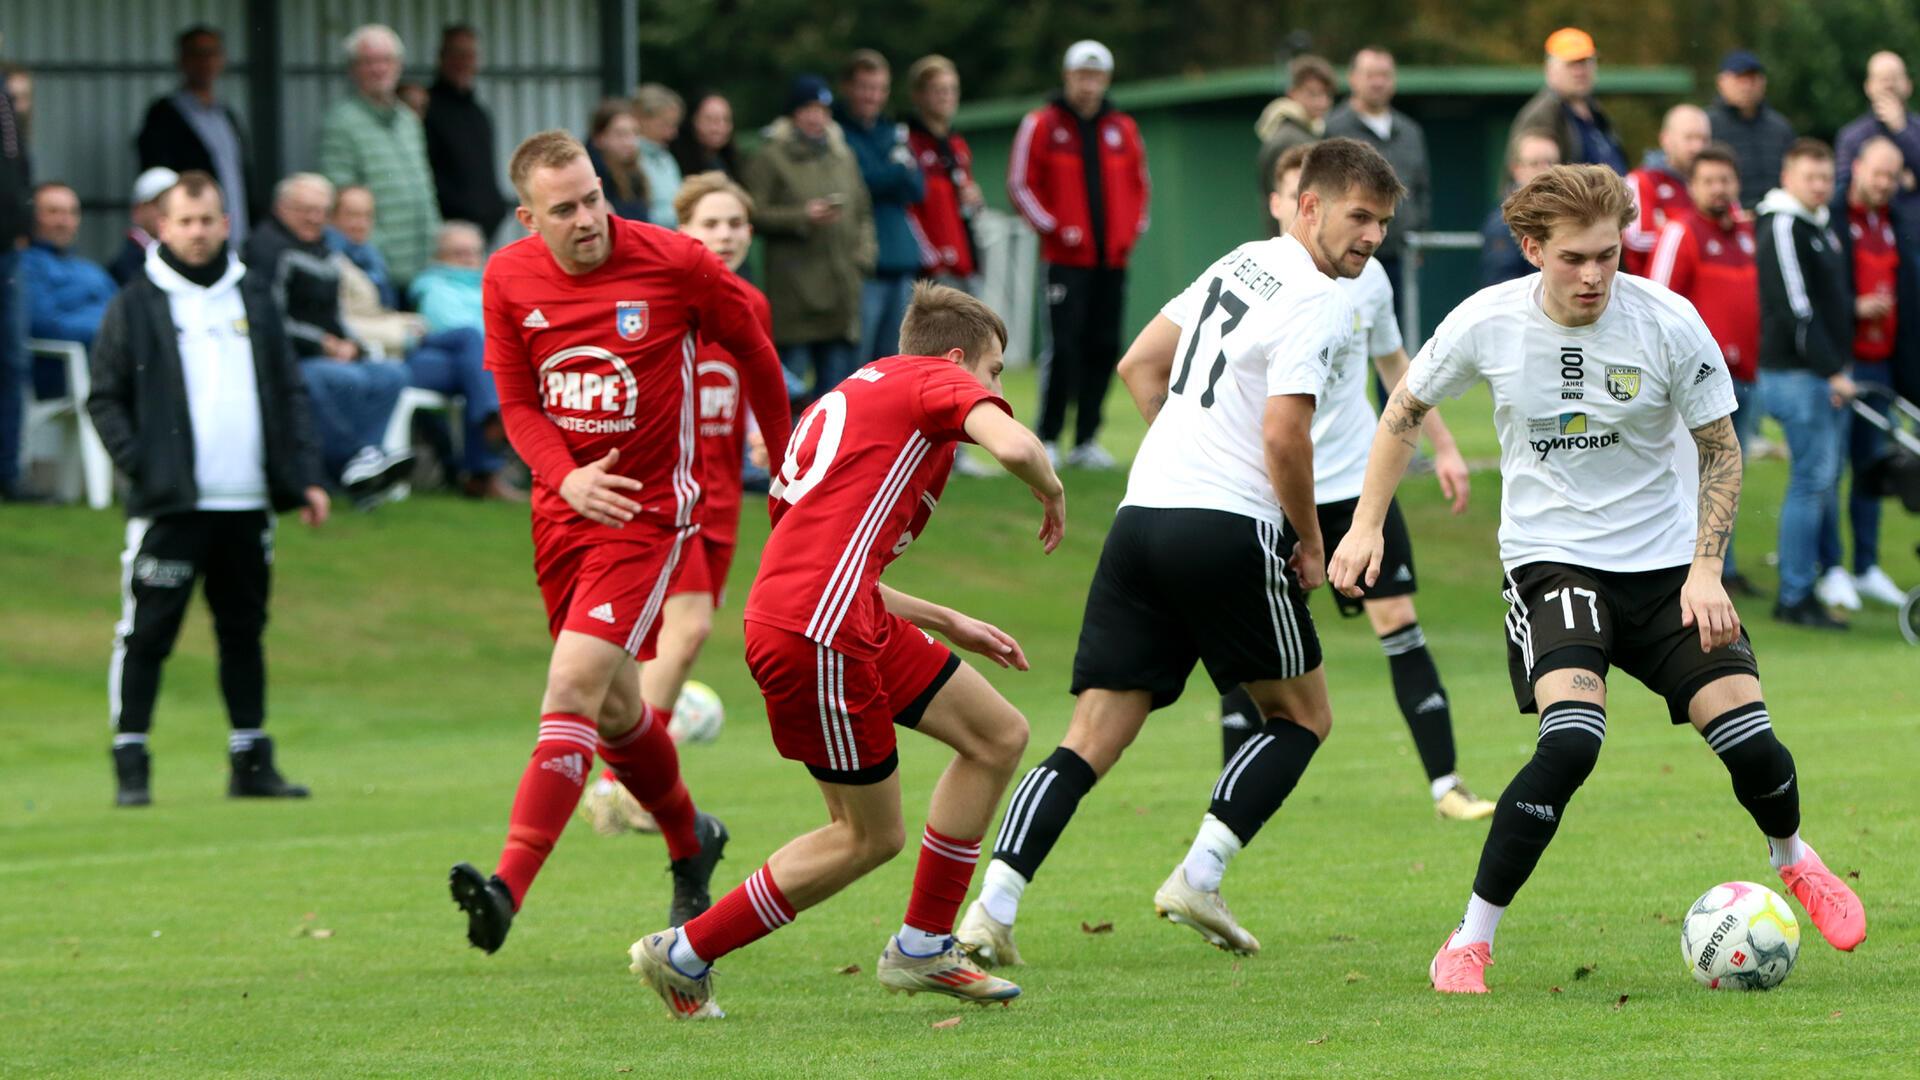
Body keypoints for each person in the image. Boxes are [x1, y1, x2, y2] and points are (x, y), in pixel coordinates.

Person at [1328, 163, 1866, 995]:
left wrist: (1707, 568)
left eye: (1609, 256)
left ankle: (1795, 860)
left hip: (1666, 571)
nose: (1594, 276)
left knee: (1750, 737)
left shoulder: (1667, 322)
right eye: (1574, 257)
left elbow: (1722, 451)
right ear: (1531, 248)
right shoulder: (1487, 319)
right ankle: (1469, 941)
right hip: (1554, 561)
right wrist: (1365, 525)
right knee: (1572, 741)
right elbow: (1403, 409)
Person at [957, 139, 1400, 969]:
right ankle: (1200, 874)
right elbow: (1283, 434)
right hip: (1227, 528)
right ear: (1308, 205)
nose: (1372, 236)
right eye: (1359, 216)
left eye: (1383, 222)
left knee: (1090, 734)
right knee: (1303, 716)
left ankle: (992, 909)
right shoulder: (1318, 298)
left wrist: (1183, 449)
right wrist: (1309, 540)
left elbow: (1138, 363)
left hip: (1142, 517)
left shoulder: (1241, 261)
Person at [630, 282, 1064, 1019]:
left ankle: (925, 946)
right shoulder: (933, 379)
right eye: (994, 374)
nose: (995, 392)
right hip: (820, 631)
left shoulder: (859, 399)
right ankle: (685, 953)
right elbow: (1018, 447)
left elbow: (822, 559)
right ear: (956, 361)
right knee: (866, 835)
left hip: (832, 611)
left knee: (997, 735)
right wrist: (1050, 489)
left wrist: (946, 619)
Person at [447, 130, 794, 955]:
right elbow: (520, 405)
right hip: (562, 517)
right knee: (616, 708)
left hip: (647, 520)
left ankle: (506, 890)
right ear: (530, 218)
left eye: (594, 197)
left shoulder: (674, 263)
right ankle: (689, 839)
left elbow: (754, 347)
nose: (587, 219)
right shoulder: (506, 277)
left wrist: (784, 460)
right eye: (564, 209)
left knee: (570, 685)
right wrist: (565, 479)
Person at [1217, 143, 1493, 821]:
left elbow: (1400, 369)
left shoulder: (1366, 278)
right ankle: (1232, 794)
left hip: (1356, 482)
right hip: (1278, 486)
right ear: (1290, 204)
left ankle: (1446, 785)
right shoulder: (1255, 275)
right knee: (1245, 637)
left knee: (1398, 619)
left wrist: (1447, 446)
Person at [86, 170, 328, 806]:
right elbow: (104, 397)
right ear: (161, 227)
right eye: (185, 221)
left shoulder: (252, 296)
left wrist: (303, 476)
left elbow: (288, 390)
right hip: (172, 505)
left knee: (243, 631)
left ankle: (251, 760)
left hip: (246, 502)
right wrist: (143, 465)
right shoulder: (135, 302)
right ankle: (131, 760)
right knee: (147, 635)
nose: (197, 233)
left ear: (226, 224)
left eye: (208, 220)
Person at [582, 171, 772, 836]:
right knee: (686, 632)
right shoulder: (656, 296)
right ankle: (616, 782)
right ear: (682, 230)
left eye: (735, 224)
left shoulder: (751, 302)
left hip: (723, 499)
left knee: (664, 645)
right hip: (667, 492)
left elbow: (747, 383)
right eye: (710, 224)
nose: (725, 236)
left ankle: (617, 763)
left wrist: (759, 434)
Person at [1009, 40, 1150, 469]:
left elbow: (1140, 188)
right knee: (1064, 347)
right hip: (1065, 261)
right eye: (1081, 76)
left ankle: (1086, 439)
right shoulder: (1042, 124)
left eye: (1096, 77)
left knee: (1104, 348)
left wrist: (1129, 233)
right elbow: (1021, 185)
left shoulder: (1122, 128)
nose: (1089, 85)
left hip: (1112, 260)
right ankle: (1049, 436)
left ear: (1105, 80)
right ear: (1067, 77)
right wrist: (1055, 229)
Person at [245, 173, 412, 504]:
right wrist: (323, 343)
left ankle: (368, 463)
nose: (314, 218)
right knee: (333, 378)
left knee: (393, 375)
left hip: (329, 351)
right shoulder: (266, 248)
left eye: (321, 210)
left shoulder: (325, 249)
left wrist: (353, 344)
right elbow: (269, 318)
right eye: (304, 209)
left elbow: (336, 314)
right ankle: (353, 462)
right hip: (291, 357)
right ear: (281, 208)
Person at [1648, 143, 1765, 598]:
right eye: (1709, 181)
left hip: (1745, 374)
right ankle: (1688, 570)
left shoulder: (1745, 234)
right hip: (1697, 380)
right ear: (1692, 187)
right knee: (1695, 474)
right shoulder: (1681, 231)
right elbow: (1657, 304)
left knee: (1731, 470)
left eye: (1726, 180)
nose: (1719, 189)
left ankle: (1722, 568)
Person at [1756, 140, 1856, 630]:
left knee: (1822, 483)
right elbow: (1796, 307)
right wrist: (1830, 368)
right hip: (1797, 376)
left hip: (1825, 374)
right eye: (1810, 177)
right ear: (1788, 175)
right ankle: (1795, 594)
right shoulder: (1782, 223)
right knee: (1810, 482)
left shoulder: (1820, 226)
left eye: (1826, 177)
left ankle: (1806, 587)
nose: (1820, 186)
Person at [743, 75, 872, 404]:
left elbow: (862, 211)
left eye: (823, 110)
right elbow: (751, 212)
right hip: (795, 296)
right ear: (793, 113)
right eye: (808, 109)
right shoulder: (771, 155)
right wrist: (802, 216)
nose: (817, 117)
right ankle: (788, 456)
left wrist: (863, 258)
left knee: (840, 399)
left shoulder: (842, 154)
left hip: (840, 292)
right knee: (790, 397)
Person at [1830, 137, 1913, 608]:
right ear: (1858, 166)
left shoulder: (1892, 220)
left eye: (1891, 175)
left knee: (1873, 468)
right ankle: (1833, 567)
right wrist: (1853, 307)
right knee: (1827, 470)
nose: (1883, 184)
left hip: (1882, 361)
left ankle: (1866, 565)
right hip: (1845, 362)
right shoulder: (1837, 216)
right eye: (1877, 173)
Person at [318, 24, 442, 286]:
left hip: (424, 262)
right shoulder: (342, 123)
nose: (379, 69)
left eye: (386, 60)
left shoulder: (408, 120)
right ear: (353, 70)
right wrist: (376, 251)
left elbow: (425, 188)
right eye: (368, 62)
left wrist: (436, 239)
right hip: (379, 268)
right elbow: (341, 197)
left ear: (398, 65)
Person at [837, 50, 927, 365]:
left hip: (900, 261)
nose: (872, 96)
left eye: (878, 88)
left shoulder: (891, 130)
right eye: (865, 87)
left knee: (893, 363)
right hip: (864, 265)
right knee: (858, 364)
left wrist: (889, 173)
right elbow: (862, 184)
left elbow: (917, 188)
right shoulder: (838, 134)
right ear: (848, 87)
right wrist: (896, 170)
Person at [1325, 47, 1430, 297]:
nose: (1378, 82)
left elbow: (1422, 189)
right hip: (1349, 254)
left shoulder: (1410, 131)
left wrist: (1421, 236)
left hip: (1402, 255)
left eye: (1385, 75)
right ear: (1352, 78)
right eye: (1371, 74)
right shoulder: (1332, 128)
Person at [136, 26, 255, 245]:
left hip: (235, 236)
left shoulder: (227, 115)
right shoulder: (165, 115)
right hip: (192, 239)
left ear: (222, 59)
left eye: (212, 53)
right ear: (182, 61)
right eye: (197, 55)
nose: (205, 62)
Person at [905, 55, 983, 290]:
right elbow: (909, 210)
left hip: (967, 263)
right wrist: (932, 259)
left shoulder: (957, 144)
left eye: (951, 90)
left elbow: (966, 207)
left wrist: (976, 201)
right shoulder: (909, 144)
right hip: (934, 270)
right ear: (919, 95)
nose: (946, 96)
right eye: (938, 90)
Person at [424, 24, 508, 240]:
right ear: (442, 58)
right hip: (448, 235)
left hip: (482, 236)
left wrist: (497, 209)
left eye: (469, 55)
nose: (463, 62)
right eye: (457, 54)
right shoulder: (426, 109)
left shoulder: (479, 113)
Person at [1510, 28, 1626, 174]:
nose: (1579, 71)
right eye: (1571, 64)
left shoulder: (1596, 110)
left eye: (1584, 62)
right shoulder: (1542, 114)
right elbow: (1529, 179)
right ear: (1550, 70)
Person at [1836, 52, 1920, 252]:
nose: (1889, 85)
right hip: (1867, 242)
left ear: (1908, 85)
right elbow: (1845, 186)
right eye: (1882, 79)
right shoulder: (1851, 136)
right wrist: (1903, 181)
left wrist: (1901, 130)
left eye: (1894, 78)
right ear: (1868, 87)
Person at [22, 184, 117, 359]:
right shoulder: (25, 267)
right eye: (53, 212)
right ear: (32, 217)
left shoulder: (91, 269)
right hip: (66, 372)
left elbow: (125, 312)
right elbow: (45, 326)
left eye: (72, 212)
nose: (64, 222)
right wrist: (112, 330)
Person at [1623, 105, 1710, 275]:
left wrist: (1667, 227)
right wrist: (1695, 239)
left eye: (1704, 139)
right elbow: (1635, 239)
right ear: (1665, 139)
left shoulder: (1716, 184)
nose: (1698, 147)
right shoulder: (1642, 181)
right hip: (1652, 293)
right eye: (1689, 138)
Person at [1707, 50, 1795, 213]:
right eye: (1740, 78)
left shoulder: (1780, 127)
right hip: (1726, 218)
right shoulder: (1706, 125)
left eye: (1753, 79)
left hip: (1774, 216)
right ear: (1721, 81)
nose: (1747, 86)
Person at [1254, 54, 1336, 220]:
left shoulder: (1306, 132)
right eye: (1313, 94)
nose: (1322, 102)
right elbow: (1295, 201)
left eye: (1326, 95)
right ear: (1292, 93)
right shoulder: (1291, 140)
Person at [0, 71, 29, 501]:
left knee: (11, 364)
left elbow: (17, 167)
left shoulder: (5, 98)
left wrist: (21, 224)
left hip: (8, 249)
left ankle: (7, 474)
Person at [1481, 130, 1561, 287]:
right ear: (1516, 169)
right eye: (1535, 163)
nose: (1545, 169)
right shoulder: (1504, 221)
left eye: (1551, 162)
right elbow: (1502, 285)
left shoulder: (1568, 213)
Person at [325, 184, 397, 309]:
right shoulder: (327, 255)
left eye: (368, 215)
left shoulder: (371, 253)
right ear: (332, 217)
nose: (361, 224)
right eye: (353, 215)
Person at [408, 221, 485, 335]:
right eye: (459, 253)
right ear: (440, 256)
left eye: (475, 252)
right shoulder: (434, 290)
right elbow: (463, 334)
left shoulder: (491, 284)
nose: (469, 259)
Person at [109, 168, 179, 286]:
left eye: (175, 203)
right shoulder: (124, 267)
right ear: (137, 211)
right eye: (160, 203)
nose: (169, 210)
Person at [586, 98, 652, 222]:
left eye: (635, 133)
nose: (630, 142)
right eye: (620, 134)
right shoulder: (591, 177)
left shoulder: (636, 172)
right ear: (599, 138)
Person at [632, 84, 684, 228]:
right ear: (641, 119)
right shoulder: (629, 159)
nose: (672, 133)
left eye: (674, 125)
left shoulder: (666, 158)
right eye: (665, 125)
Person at [670, 91, 740, 180]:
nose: (719, 128)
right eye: (710, 120)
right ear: (692, 120)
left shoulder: (730, 161)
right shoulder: (673, 162)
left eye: (726, 120)